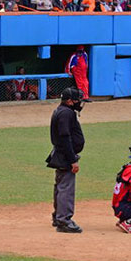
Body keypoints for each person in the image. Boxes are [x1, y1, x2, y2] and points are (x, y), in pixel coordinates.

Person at [46, 87, 85, 233]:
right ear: (69, 101)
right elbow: (65, 137)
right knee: (66, 189)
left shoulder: (62, 111)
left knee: (60, 187)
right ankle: (64, 221)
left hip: (61, 154)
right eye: (76, 100)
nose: (78, 102)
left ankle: (58, 217)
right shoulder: (66, 113)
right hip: (65, 155)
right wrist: (72, 160)